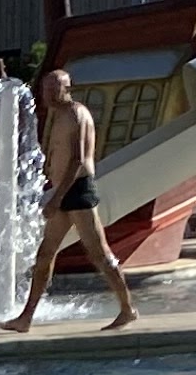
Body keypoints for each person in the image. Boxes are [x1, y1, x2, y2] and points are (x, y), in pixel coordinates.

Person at [12, 64, 137, 331]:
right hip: (62, 190)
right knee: (45, 254)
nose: (47, 94)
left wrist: (56, 199)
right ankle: (26, 318)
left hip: (78, 190)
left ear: (67, 88)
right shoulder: (57, 115)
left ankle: (127, 309)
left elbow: (78, 160)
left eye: (53, 88)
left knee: (99, 254)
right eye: (45, 88)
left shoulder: (75, 113)